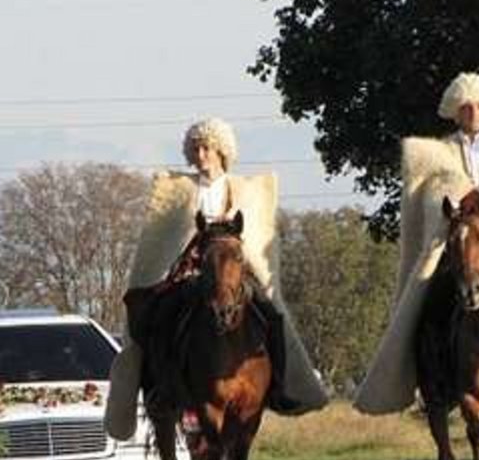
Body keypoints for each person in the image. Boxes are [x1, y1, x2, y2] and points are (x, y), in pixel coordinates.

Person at [103, 119, 326, 439]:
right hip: (191, 273)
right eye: (195, 148)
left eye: (206, 147)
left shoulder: (241, 188)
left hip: (234, 274)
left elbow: (251, 238)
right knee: (160, 316)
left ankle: (278, 386)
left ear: (221, 150)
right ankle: (162, 386)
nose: (200, 153)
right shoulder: (181, 190)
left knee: (273, 316)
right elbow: (166, 239)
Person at [355, 71, 479, 414]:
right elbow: (431, 198)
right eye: (465, 107)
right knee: (428, 308)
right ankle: (431, 381)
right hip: (457, 243)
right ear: (454, 111)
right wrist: (457, 204)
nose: (473, 113)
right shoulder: (439, 153)